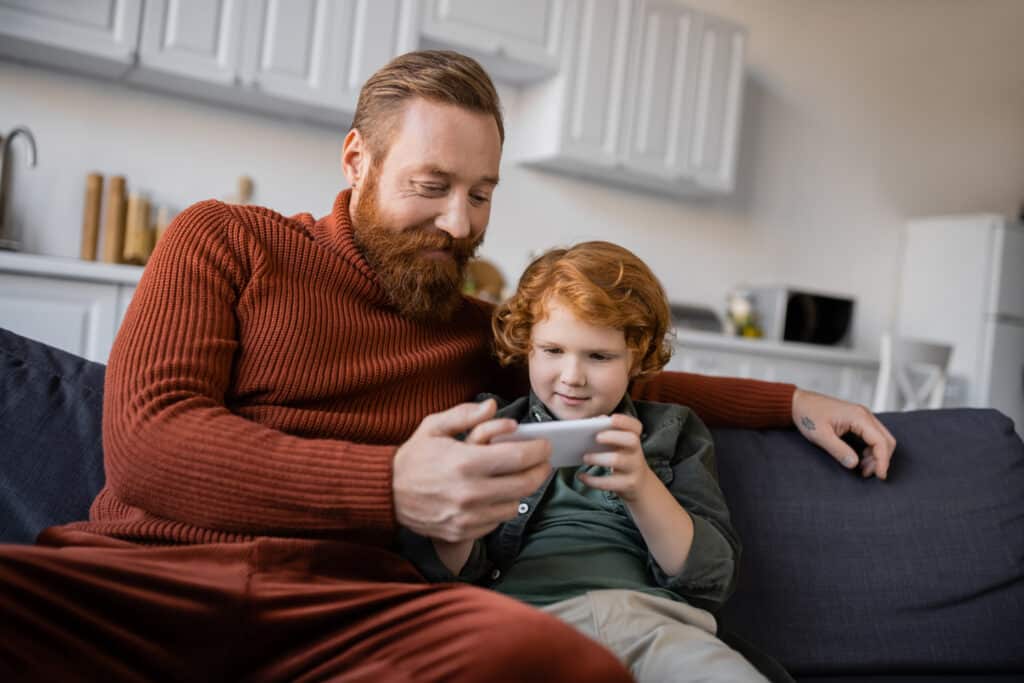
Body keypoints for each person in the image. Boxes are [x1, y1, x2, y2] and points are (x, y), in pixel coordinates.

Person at [0, 50, 895, 681]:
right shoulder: (223, 240)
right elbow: (149, 447)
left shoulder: (475, 329)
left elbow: (612, 373)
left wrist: (790, 399)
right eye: (433, 186)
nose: (462, 224)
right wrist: (388, 484)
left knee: (551, 659)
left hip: (354, 616)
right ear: (357, 159)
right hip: (147, 583)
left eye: (482, 193)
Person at [402, 241, 768, 681]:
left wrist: (642, 487)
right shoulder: (491, 426)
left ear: (637, 355)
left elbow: (708, 579)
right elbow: (446, 572)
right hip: (522, 622)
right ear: (527, 347)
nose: (572, 376)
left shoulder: (672, 432)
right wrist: (469, 498)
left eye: (599, 356)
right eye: (553, 351)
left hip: (651, 623)